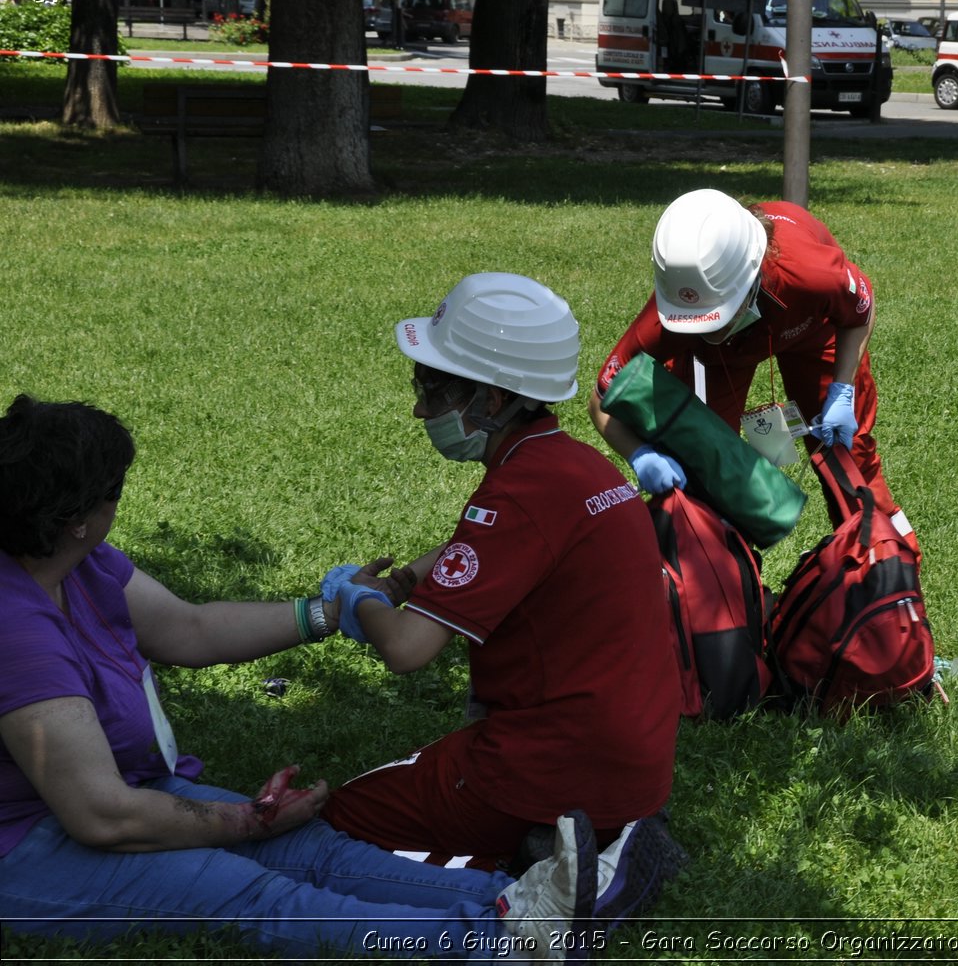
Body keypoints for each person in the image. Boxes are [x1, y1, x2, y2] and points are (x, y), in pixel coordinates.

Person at [0, 394, 653, 959]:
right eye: (115, 489)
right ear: (76, 518)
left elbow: (188, 628)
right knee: (255, 892)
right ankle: (498, 941)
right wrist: (246, 823)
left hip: (133, 789)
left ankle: (525, 900)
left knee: (313, 847)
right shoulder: (17, 629)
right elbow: (101, 816)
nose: (122, 498)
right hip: (32, 842)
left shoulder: (79, 561)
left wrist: (325, 612)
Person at [319, 272, 684, 881]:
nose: (419, 407)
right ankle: (586, 840)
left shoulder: (514, 496)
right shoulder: (576, 465)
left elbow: (408, 650)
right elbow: (506, 545)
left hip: (546, 767)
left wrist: (358, 600)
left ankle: (539, 859)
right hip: (633, 763)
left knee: (340, 818)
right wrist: (412, 576)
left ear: (490, 401)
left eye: (432, 390)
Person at [588, 188, 916, 548]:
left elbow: (859, 313)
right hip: (721, 362)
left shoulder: (810, 273)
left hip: (810, 327)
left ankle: (886, 567)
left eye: (718, 318)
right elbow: (602, 395)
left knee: (850, 458)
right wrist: (640, 454)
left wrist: (842, 389)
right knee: (708, 469)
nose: (711, 330)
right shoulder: (676, 314)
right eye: (698, 322)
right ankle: (728, 584)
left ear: (753, 279)